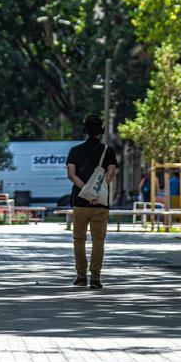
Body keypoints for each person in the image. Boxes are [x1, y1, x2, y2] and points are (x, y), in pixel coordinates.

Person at [66, 114, 117, 289]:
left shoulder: (74, 150)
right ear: (101, 131)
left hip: (80, 202)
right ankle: (95, 278)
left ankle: (81, 276)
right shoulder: (108, 151)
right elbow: (110, 174)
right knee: (98, 241)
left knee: (79, 240)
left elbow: (71, 174)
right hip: (100, 203)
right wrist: (97, 192)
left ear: (85, 130)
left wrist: (85, 191)